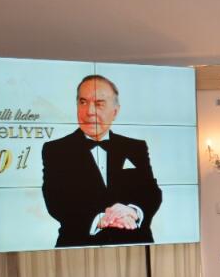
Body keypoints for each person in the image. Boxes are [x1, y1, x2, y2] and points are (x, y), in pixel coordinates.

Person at [41, 74, 162, 247]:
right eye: (83, 102)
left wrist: (132, 211)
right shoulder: (55, 150)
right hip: (77, 247)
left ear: (115, 111)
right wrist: (100, 219)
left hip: (135, 244)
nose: (89, 111)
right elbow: (55, 201)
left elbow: (151, 192)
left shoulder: (135, 147)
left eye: (99, 104)